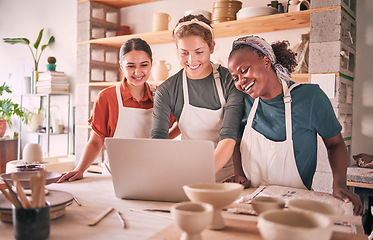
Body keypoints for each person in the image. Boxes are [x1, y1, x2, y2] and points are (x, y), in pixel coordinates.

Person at [226, 35, 362, 215]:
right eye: (235, 77)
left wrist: (339, 184)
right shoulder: (244, 102)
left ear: (266, 61)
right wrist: (239, 174)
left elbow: (335, 143)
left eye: (244, 71)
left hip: (296, 209)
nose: (240, 81)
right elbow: (235, 140)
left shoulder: (310, 98)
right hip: (251, 205)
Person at [58, 38, 176, 182]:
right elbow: (96, 141)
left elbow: (180, 124)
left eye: (144, 65)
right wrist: (80, 169)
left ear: (151, 64)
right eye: (131, 66)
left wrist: (160, 142)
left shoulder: (161, 95)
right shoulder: (107, 97)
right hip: (114, 177)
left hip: (152, 175)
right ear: (121, 67)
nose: (138, 72)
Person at [151, 14, 244, 182]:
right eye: (184, 53)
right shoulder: (167, 90)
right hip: (187, 172)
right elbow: (158, 140)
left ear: (212, 47)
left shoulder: (229, 80)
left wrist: (201, 177)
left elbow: (229, 136)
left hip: (228, 176)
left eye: (199, 52)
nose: (191, 60)